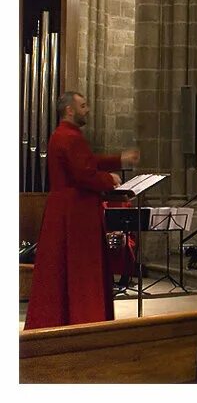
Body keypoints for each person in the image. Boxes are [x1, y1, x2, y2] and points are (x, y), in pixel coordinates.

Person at [25, 92, 140, 329]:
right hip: (75, 213)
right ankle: (85, 317)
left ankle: (69, 317)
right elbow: (83, 174)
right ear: (69, 110)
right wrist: (109, 180)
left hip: (67, 210)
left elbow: (88, 161)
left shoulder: (65, 135)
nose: (87, 110)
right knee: (81, 270)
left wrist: (119, 159)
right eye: (83, 106)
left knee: (64, 269)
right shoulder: (69, 137)